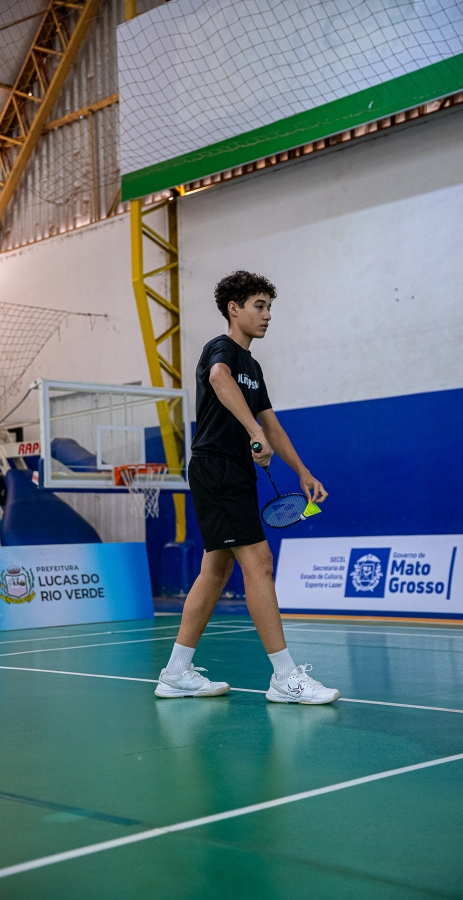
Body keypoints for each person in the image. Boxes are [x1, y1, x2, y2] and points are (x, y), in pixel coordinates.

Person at [155, 270, 339, 704]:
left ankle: (176, 672)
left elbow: (271, 425)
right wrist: (252, 431)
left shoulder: (253, 368)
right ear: (234, 309)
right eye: (259, 306)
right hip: (217, 468)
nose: (267, 315)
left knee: (216, 570)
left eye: (269, 307)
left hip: (234, 471)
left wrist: (302, 471)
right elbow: (219, 379)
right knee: (260, 562)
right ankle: (285, 678)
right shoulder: (220, 350)